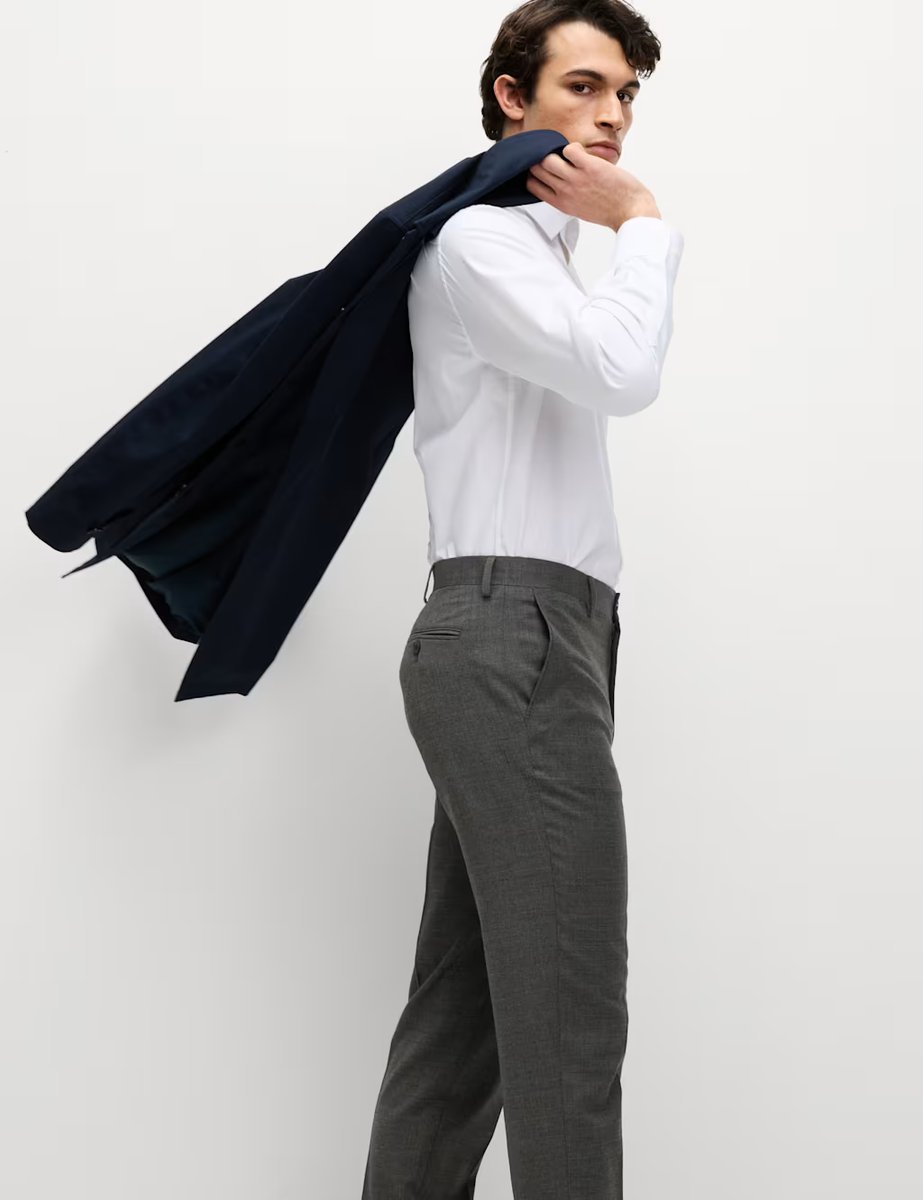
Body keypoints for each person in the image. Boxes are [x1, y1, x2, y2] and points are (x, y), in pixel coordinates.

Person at [361, 3, 684, 1196]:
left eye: (624, 95)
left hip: (542, 640)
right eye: (583, 86)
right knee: (569, 1019)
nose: (610, 116)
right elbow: (619, 371)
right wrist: (642, 226)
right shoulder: (481, 244)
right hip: (514, 637)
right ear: (511, 97)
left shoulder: (538, 260)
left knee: (464, 1035)